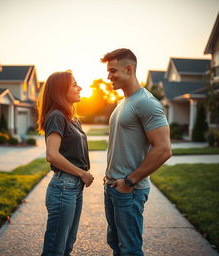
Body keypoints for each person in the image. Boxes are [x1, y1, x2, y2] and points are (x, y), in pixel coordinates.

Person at [101, 48, 172, 256]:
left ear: (129, 69)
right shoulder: (123, 103)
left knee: (130, 249)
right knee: (116, 244)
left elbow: (164, 149)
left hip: (129, 190)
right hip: (113, 187)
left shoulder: (146, 103)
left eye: (113, 70)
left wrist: (129, 181)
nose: (108, 76)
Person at [37, 70, 94, 256]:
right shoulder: (56, 116)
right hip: (64, 187)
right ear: (61, 91)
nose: (80, 87)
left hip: (73, 187)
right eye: (74, 84)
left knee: (67, 244)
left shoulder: (71, 118)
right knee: (56, 248)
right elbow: (52, 155)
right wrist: (81, 173)